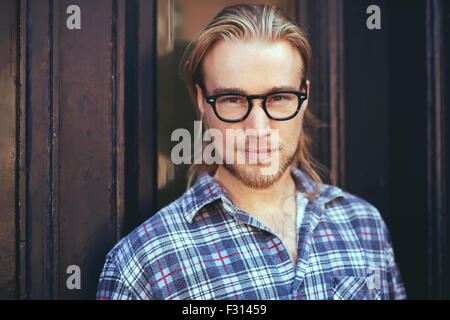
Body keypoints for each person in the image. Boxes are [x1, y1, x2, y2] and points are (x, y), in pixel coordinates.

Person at [97, 3, 406, 300]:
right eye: (232, 99)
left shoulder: (363, 224)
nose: (258, 128)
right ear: (202, 101)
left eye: (279, 97)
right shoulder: (143, 266)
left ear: (304, 97)